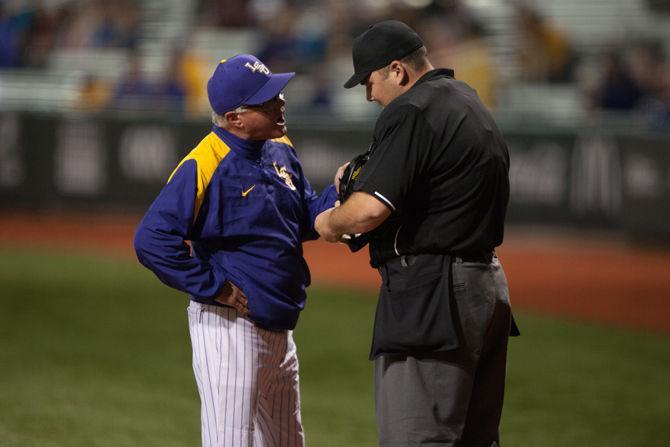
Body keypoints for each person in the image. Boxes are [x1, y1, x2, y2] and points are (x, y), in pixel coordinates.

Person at [315, 20, 518, 447]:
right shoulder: (466, 100)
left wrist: (328, 223)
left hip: (435, 293)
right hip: (485, 285)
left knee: (418, 437)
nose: (370, 96)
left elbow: (368, 210)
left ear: (396, 70)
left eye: (369, 83)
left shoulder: (411, 109)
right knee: (476, 438)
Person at [134, 54, 336, 447]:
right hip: (228, 328)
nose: (281, 103)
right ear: (235, 118)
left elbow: (302, 214)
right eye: (267, 100)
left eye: (277, 94)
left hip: (280, 328)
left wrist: (339, 194)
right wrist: (214, 287)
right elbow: (151, 239)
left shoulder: (280, 148)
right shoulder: (205, 163)